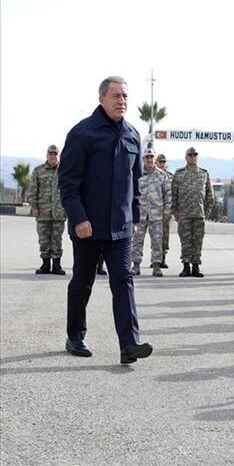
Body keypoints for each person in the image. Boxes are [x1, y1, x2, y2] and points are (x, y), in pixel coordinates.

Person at [58, 75, 153, 364]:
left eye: (125, 96)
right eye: (116, 96)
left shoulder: (133, 135)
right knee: (83, 281)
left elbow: (136, 183)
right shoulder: (82, 133)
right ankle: (74, 336)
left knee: (123, 280)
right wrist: (78, 219)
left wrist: (134, 217)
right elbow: (68, 183)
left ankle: (129, 345)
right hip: (88, 226)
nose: (122, 101)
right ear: (101, 99)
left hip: (121, 228)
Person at [171, 147, 214, 277]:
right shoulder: (179, 174)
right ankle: (185, 266)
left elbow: (209, 194)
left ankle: (195, 267)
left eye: (195, 155)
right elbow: (174, 194)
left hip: (198, 213)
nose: (193, 157)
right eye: (190, 155)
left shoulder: (204, 173)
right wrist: (175, 210)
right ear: (186, 157)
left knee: (198, 241)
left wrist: (207, 211)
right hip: (184, 214)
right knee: (185, 241)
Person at [130, 148, 171, 277]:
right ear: (143, 159)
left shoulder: (162, 175)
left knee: (157, 241)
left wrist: (167, 212)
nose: (149, 159)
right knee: (137, 241)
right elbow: (130, 193)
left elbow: (167, 194)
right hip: (140, 214)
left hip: (156, 214)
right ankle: (136, 265)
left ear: (155, 159)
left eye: (151, 157)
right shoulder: (137, 174)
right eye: (147, 157)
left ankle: (157, 266)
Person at [29, 144, 67, 275]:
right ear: (47, 156)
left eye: (55, 154)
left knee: (57, 240)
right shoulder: (38, 171)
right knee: (44, 240)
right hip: (43, 212)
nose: (53, 156)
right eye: (50, 154)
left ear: (58, 156)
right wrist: (34, 207)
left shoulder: (64, 171)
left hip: (59, 212)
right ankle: (45, 265)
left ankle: (57, 266)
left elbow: (69, 190)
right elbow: (32, 191)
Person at [155, 153, 172, 268]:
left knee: (165, 235)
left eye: (164, 162)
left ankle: (163, 258)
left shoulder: (171, 176)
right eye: (160, 162)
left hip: (166, 211)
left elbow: (175, 193)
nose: (162, 164)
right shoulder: (152, 175)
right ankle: (155, 259)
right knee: (155, 236)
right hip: (153, 211)